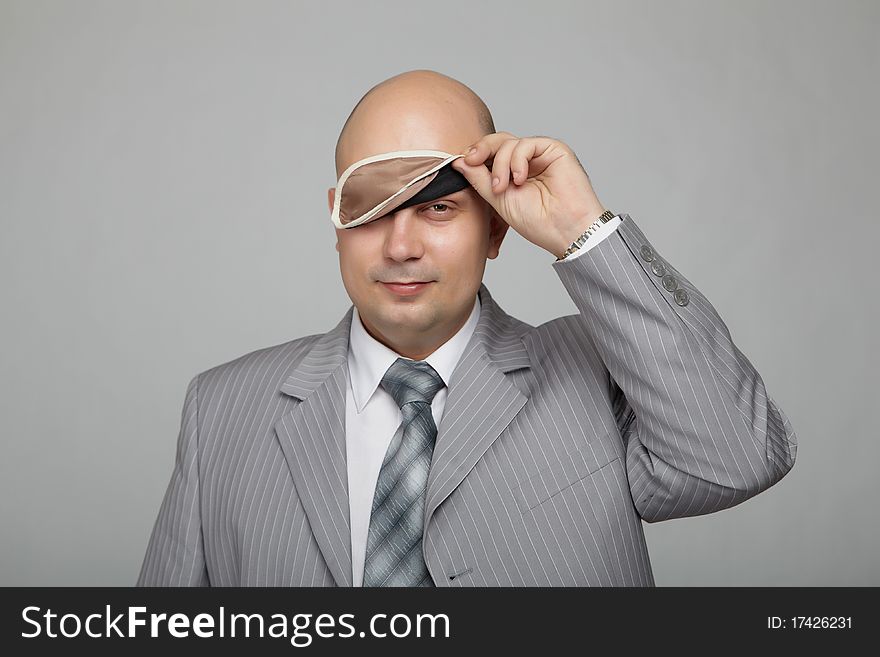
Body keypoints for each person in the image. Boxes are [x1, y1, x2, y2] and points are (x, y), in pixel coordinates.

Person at [137, 69, 797, 587]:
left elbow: (736, 458)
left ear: (496, 228)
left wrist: (583, 231)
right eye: (370, 210)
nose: (401, 245)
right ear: (335, 219)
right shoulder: (220, 408)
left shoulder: (598, 371)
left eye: (439, 206)